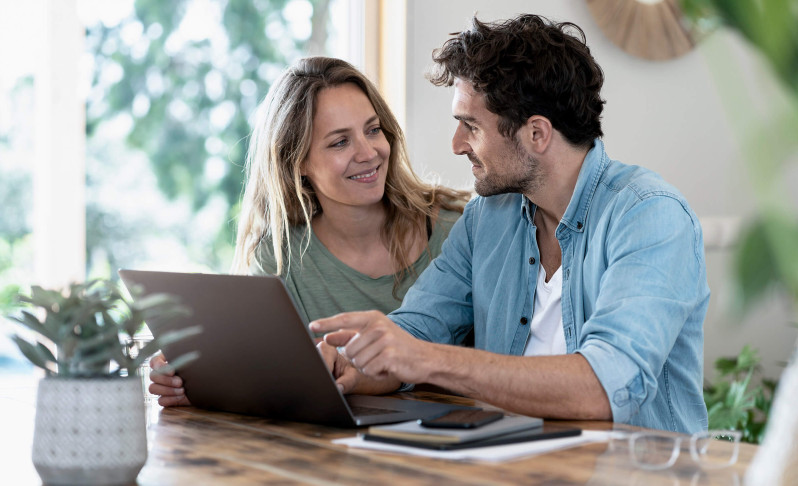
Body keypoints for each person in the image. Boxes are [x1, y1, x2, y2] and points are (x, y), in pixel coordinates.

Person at [311, 15, 710, 433]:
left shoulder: (650, 216)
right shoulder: (487, 218)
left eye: (471, 126)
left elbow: (605, 388)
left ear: (536, 134)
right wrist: (353, 365)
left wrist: (423, 358)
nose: (457, 145)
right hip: (510, 464)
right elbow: (418, 329)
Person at [150, 57, 470, 407]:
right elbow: (260, 373)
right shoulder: (279, 256)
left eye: (373, 129)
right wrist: (198, 382)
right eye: (339, 142)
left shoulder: (457, 229)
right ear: (298, 161)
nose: (368, 152)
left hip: (459, 443)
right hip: (335, 446)